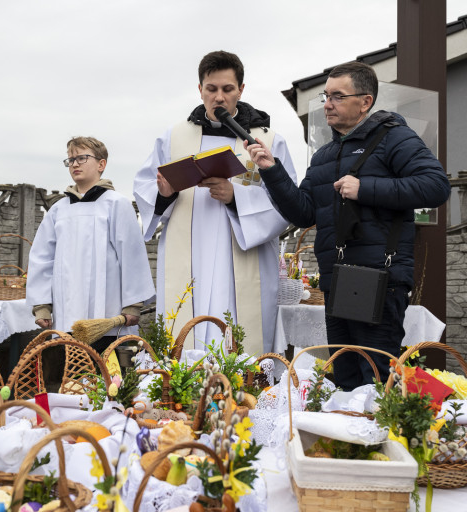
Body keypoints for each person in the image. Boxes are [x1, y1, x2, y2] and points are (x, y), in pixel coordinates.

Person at [246, 61, 451, 389]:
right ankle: (346, 440)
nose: (327, 104)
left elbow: (436, 185)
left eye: (337, 97)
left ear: (365, 102)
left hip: (381, 280)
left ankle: (378, 441)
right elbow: (303, 213)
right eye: (326, 97)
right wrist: (272, 169)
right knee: (344, 378)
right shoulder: (324, 155)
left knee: (375, 380)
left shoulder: (393, 137)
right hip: (338, 280)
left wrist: (365, 188)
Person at [133, 50, 296, 355]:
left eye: (227, 89)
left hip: (242, 255)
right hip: (189, 258)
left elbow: (287, 203)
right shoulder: (173, 138)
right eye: (211, 89)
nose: (219, 97)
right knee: (185, 342)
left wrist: (236, 197)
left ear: (241, 90)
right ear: (200, 90)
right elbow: (145, 187)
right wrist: (164, 193)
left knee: (238, 343)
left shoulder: (266, 140)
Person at [26, 136, 155, 352]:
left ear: (101, 164)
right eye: (70, 160)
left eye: (82, 158)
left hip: (108, 312)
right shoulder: (59, 210)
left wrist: (133, 304)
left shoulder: (116, 204)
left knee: (110, 377)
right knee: (73, 373)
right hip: (67, 309)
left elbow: (132, 255)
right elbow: (42, 258)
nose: (75, 164)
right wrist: (42, 306)